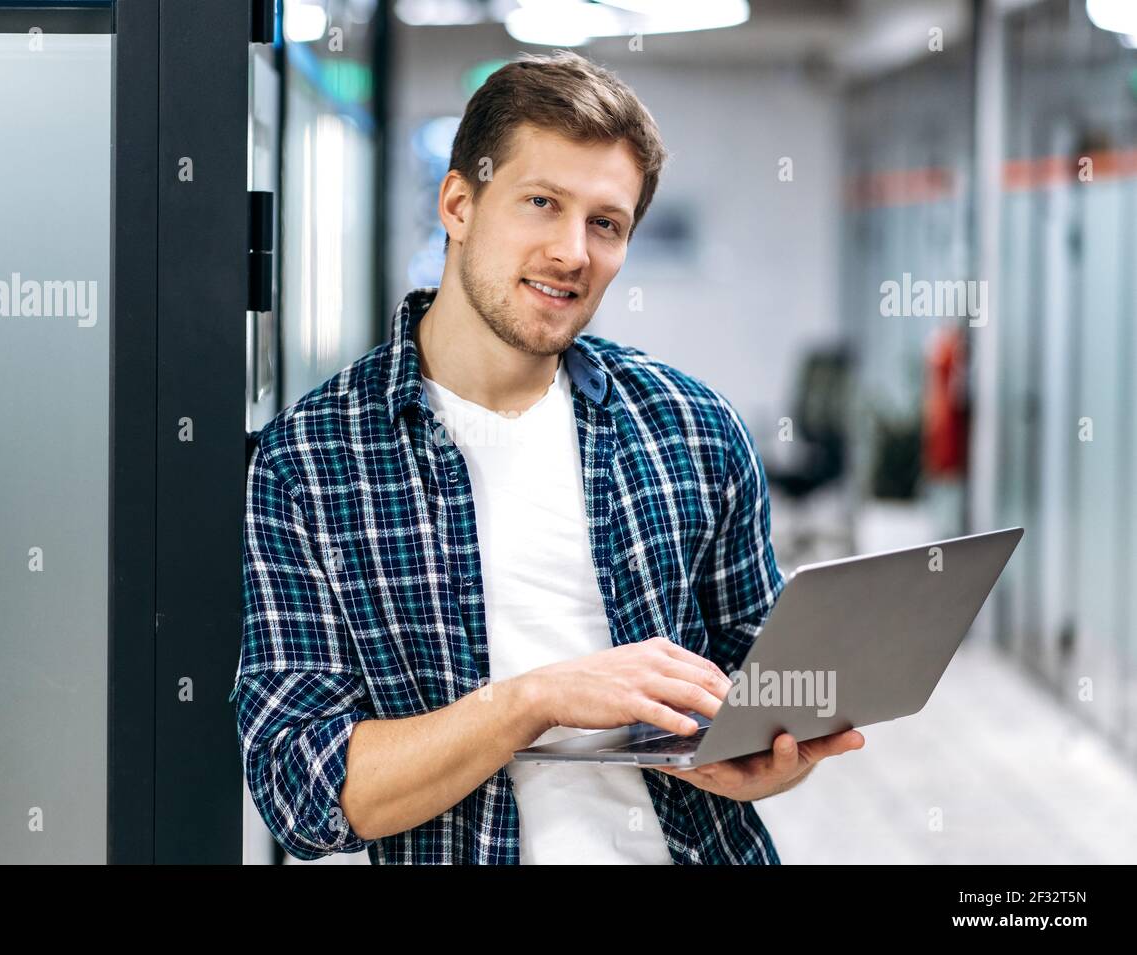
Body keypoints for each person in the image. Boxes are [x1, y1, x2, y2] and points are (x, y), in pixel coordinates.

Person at [232, 50, 863, 865]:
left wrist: (765, 767)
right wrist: (533, 700)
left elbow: (762, 692)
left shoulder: (692, 428)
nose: (573, 252)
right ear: (458, 202)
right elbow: (302, 792)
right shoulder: (311, 462)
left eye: (606, 222)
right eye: (542, 203)